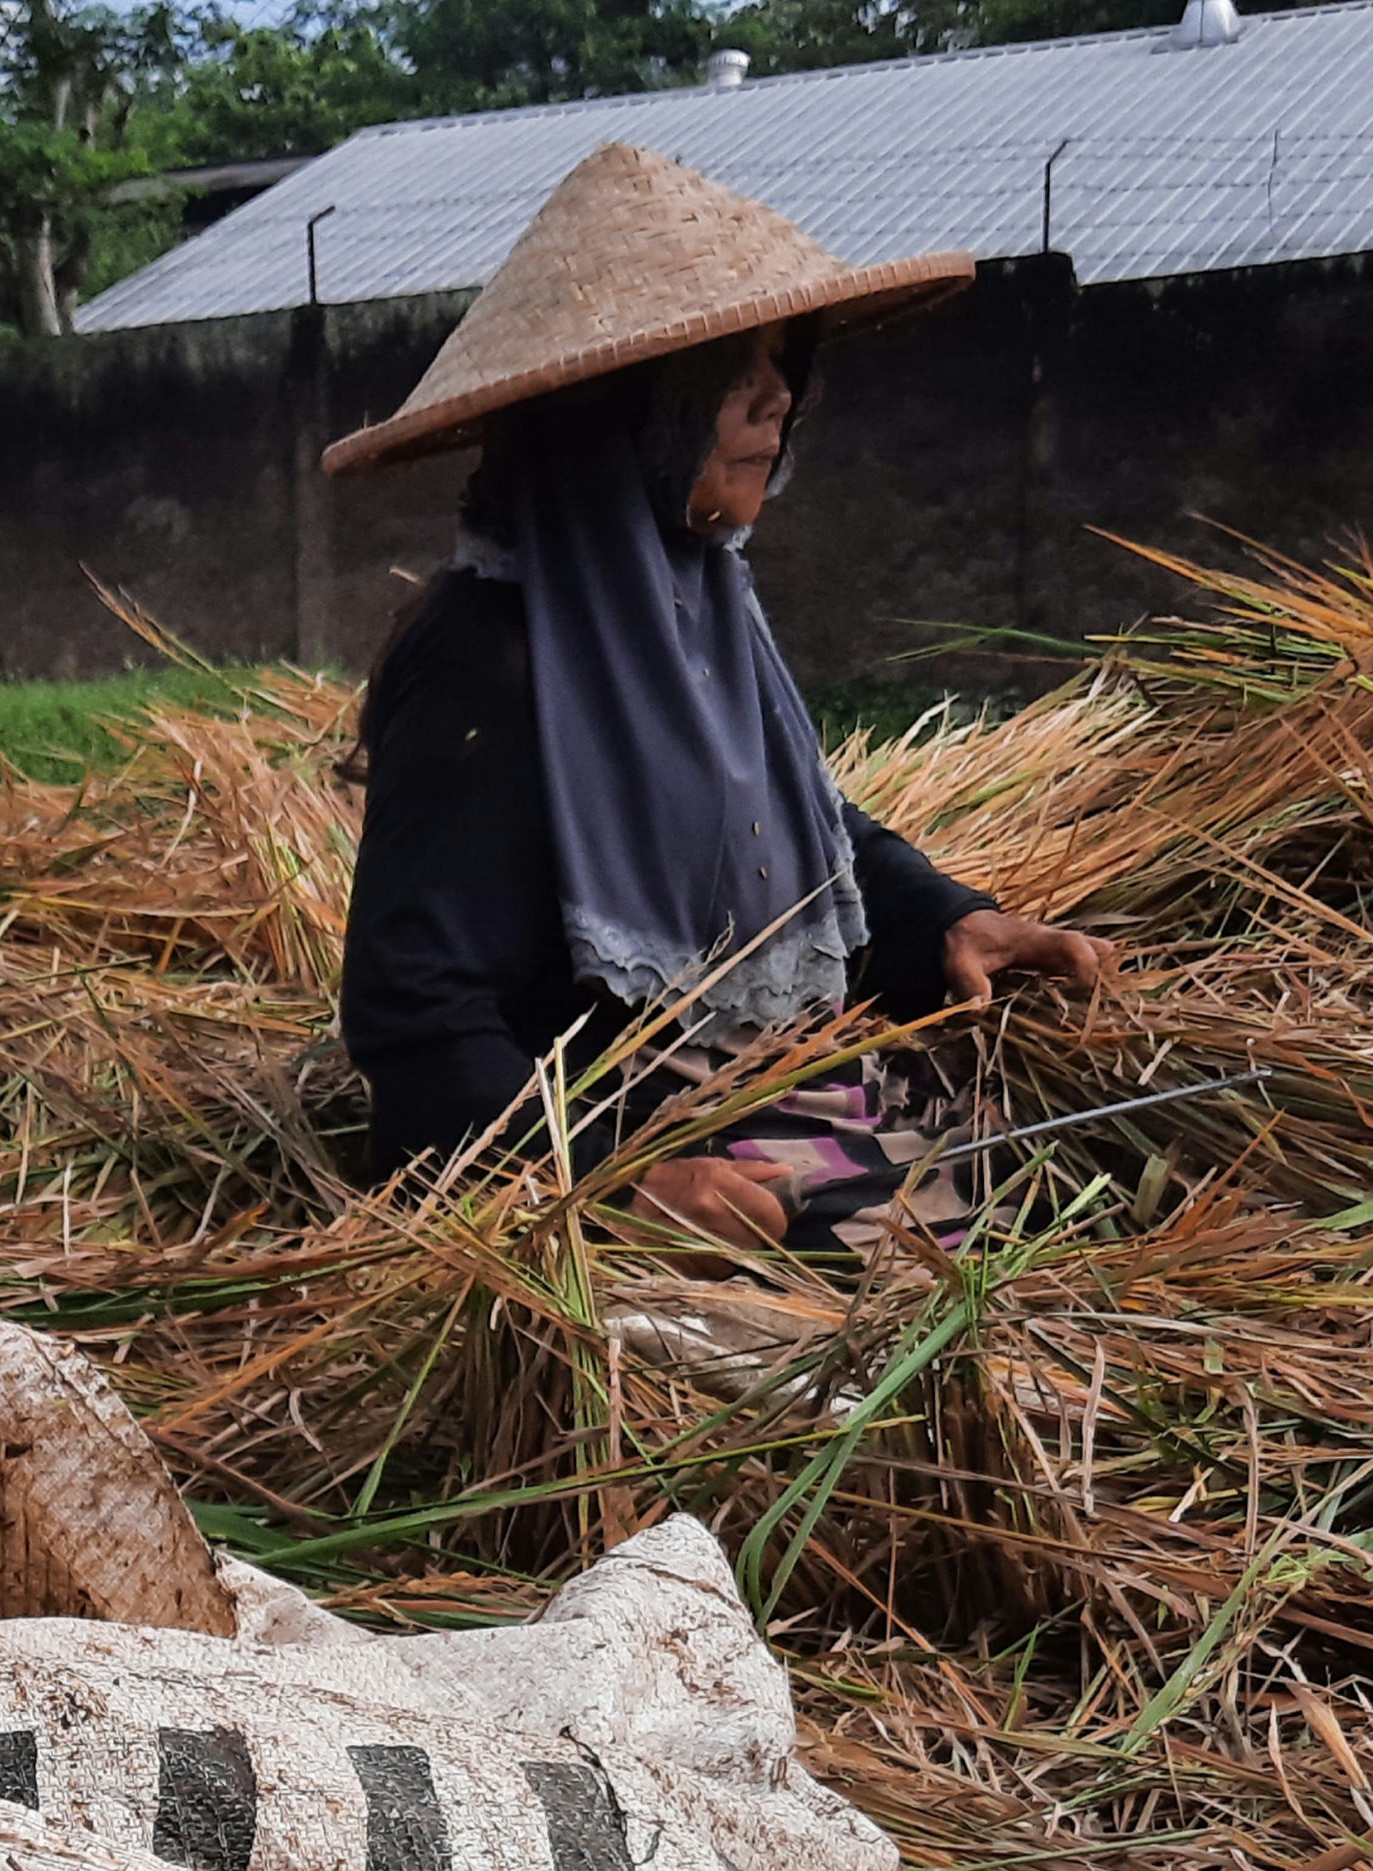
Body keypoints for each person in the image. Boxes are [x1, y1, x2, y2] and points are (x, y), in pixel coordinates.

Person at [325, 144, 1117, 1256]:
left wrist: (946, 917)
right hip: (599, 1144)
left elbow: (783, 827)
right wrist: (602, 1186)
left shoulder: (695, 599)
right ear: (622, 415)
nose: (777, 397)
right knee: (886, 1296)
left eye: (778, 361)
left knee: (1045, 1202)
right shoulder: (487, 656)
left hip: (744, 1086)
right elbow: (417, 1013)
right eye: (727, 376)